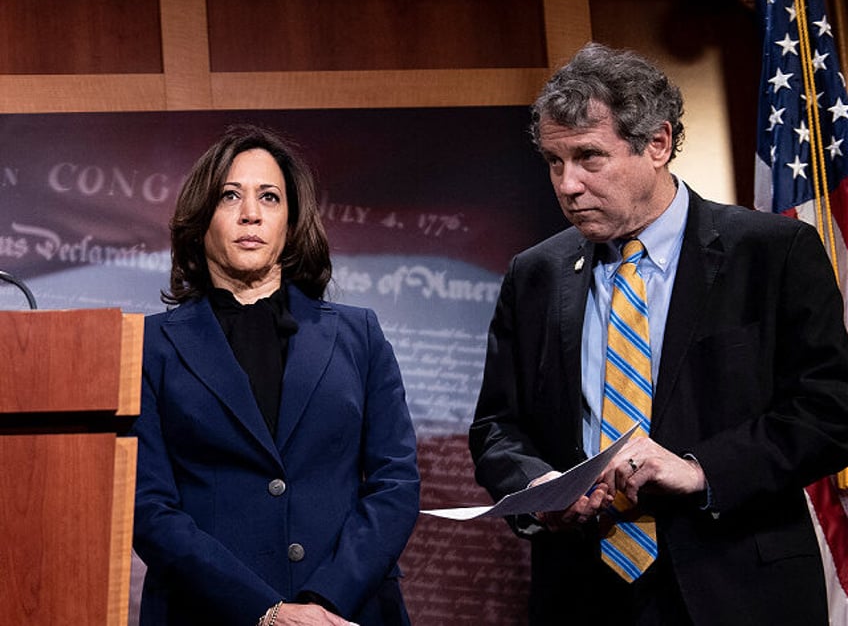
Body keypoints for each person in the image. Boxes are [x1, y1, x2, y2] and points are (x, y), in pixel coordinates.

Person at [469, 42, 848, 625]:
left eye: (589, 158)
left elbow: (829, 410)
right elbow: (497, 426)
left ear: (658, 144)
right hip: (582, 593)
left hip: (740, 587)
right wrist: (540, 487)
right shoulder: (534, 274)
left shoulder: (773, 252)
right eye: (553, 161)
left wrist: (699, 468)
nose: (567, 185)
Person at [132, 124, 420, 626]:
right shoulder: (149, 347)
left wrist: (325, 602)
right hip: (208, 613)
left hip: (349, 613)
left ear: (291, 220)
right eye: (229, 196)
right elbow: (150, 510)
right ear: (201, 218)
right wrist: (266, 612)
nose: (251, 214)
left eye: (269, 196)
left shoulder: (360, 335)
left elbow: (395, 483)